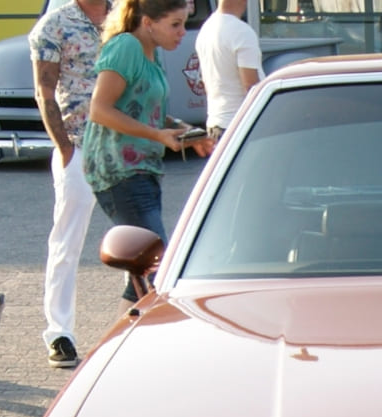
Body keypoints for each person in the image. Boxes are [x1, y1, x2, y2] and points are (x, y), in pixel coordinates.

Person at [84, 0, 212, 301]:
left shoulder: (150, 53)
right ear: (148, 22)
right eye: (175, 24)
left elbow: (145, 108)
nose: (182, 33)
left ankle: (120, 344)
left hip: (142, 170)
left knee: (141, 269)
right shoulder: (126, 46)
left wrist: (185, 132)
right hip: (120, 171)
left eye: (184, 23)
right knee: (160, 267)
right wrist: (157, 134)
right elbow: (99, 110)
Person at [30, 0, 108, 369]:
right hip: (78, 146)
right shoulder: (54, 25)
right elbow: (44, 91)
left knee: (142, 234)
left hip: (122, 147)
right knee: (67, 240)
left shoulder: (125, 17)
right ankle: (59, 332)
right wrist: (63, 148)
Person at [195, 0, 260, 139]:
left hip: (215, 122)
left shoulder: (206, 28)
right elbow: (250, 87)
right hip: (240, 125)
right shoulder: (241, 31)